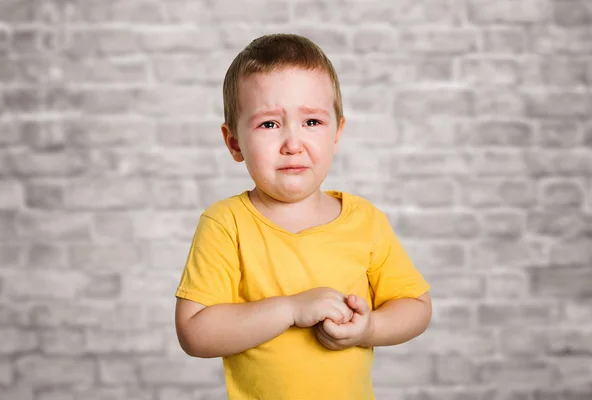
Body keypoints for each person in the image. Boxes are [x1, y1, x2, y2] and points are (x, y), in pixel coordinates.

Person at [174, 33, 432, 400]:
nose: (292, 143)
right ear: (234, 143)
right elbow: (195, 333)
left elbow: (416, 306)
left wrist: (370, 327)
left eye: (311, 122)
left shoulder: (365, 221)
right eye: (269, 124)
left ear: (337, 132)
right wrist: (291, 309)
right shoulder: (226, 224)